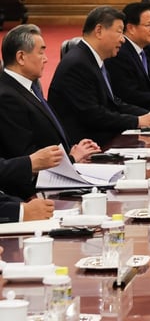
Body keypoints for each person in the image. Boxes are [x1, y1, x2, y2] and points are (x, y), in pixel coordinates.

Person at [0, 24, 102, 198]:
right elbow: (28, 158)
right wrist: (70, 159)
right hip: (35, 194)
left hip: (58, 177)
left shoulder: (29, 86)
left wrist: (72, 152)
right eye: (41, 52)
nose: (46, 59)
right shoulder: (7, 97)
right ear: (21, 57)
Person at [48, 6, 150, 145]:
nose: (123, 39)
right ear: (99, 31)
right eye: (119, 32)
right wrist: (138, 121)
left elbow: (114, 103)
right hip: (88, 145)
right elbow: (93, 115)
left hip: (102, 136)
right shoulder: (77, 64)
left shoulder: (93, 59)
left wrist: (148, 115)